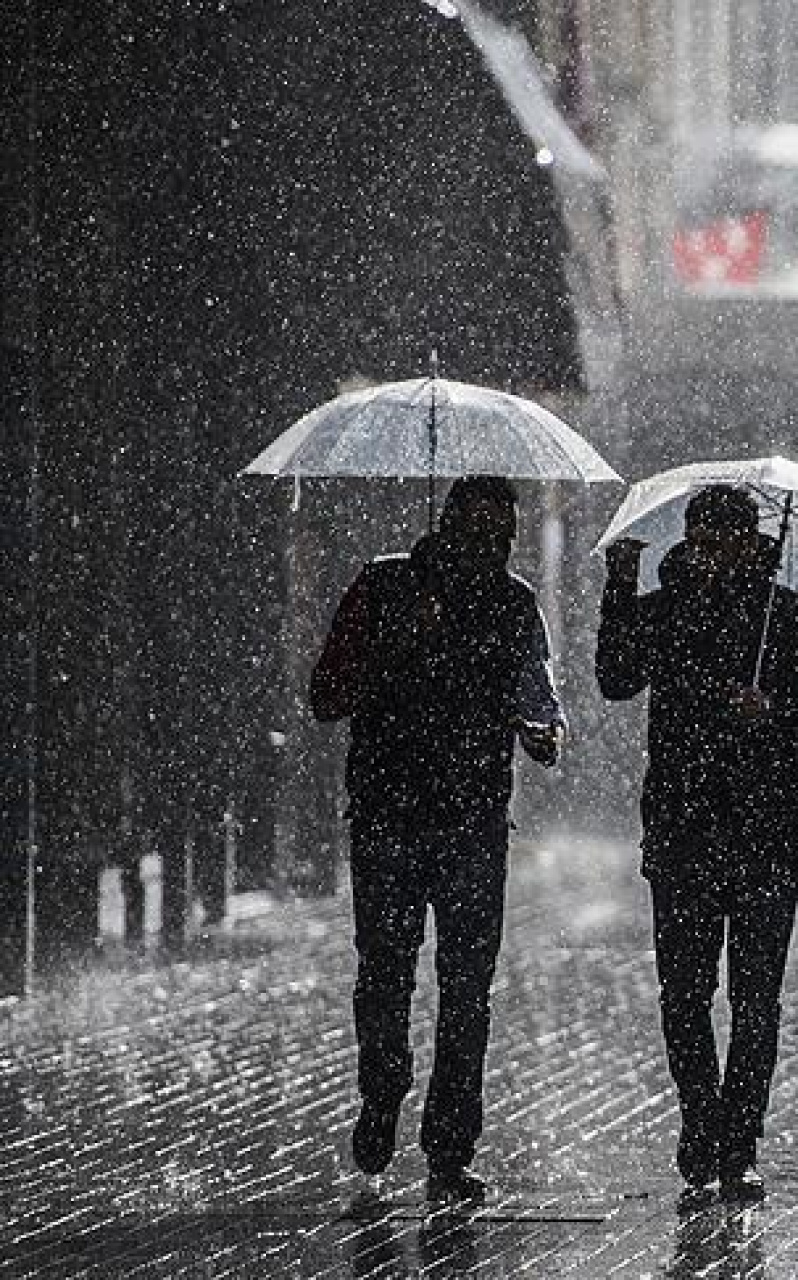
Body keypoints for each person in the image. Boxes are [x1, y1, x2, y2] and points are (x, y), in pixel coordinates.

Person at [595, 485, 798, 1203]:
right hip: (683, 828)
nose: (707, 557)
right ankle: (700, 1120)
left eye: (722, 543)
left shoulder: (791, 619)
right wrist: (620, 590)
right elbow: (616, 678)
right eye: (699, 542)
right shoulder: (666, 609)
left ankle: (739, 1140)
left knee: (755, 999)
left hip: (767, 830)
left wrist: (774, 709)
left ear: (751, 544)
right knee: (684, 993)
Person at [310, 474, 565, 1203]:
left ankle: (451, 1146)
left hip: (474, 822)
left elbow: (538, 699)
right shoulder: (384, 588)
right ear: (445, 525)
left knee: (466, 991)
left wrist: (544, 733)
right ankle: (384, 1091)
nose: (489, 547)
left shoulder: (513, 605)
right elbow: (325, 695)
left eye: (502, 536)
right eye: (477, 530)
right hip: (390, 816)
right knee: (385, 975)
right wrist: (394, 646)